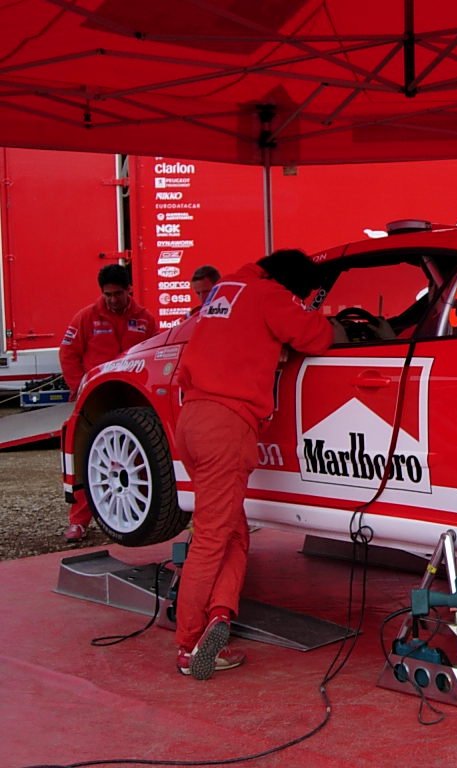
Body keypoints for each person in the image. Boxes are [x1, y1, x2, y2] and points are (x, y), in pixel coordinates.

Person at [173, 249, 347, 680]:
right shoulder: (270, 295)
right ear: (290, 284)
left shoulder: (224, 288)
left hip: (192, 419)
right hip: (226, 426)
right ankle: (190, 645)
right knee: (213, 537)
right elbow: (316, 337)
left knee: (231, 530)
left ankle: (219, 615)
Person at [59, 263, 156, 542]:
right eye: (108, 294)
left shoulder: (145, 319)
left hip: (134, 399)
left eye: (117, 294)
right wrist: (79, 387)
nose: (113, 299)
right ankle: (79, 521)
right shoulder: (86, 317)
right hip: (97, 399)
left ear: (129, 290)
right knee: (89, 456)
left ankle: (134, 513)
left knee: (139, 455)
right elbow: (68, 353)